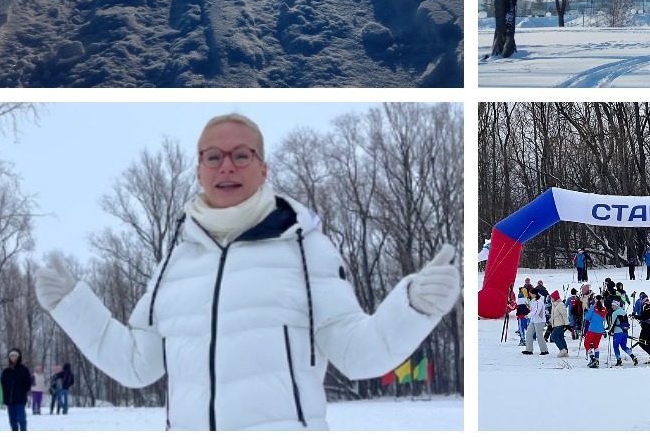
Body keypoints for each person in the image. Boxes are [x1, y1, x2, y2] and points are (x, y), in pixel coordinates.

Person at [34, 113, 461, 431]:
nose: (227, 167)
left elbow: (358, 354)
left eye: (241, 155)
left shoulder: (305, 248)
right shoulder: (174, 263)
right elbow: (135, 365)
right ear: (199, 169)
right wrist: (72, 304)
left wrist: (414, 305)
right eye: (214, 157)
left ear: (263, 169)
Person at [0, 348, 32, 430]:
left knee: (21, 419)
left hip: (20, 399)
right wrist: (3, 396)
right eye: (11, 356)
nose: (13, 358)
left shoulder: (23, 369)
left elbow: (28, 382)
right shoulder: (6, 371)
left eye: (15, 356)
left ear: (18, 357)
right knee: (12, 420)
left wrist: (23, 390)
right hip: (9, 400)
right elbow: (2, 385)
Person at [607, 298, 639, 367]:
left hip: (617, 332)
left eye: (613, 305)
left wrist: (610, 331)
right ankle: (633, 357)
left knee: (616, 346)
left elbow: (613, 323)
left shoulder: (615, 313)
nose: (612, 307)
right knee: (624, 346)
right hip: (624, 332)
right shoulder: (624, 312)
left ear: (616, 306)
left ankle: (619, 360)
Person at [524, 285, 549, 355]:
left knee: (539, 335)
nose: (530, 295)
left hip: (540, 321)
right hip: (533, 320)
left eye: (531, 294)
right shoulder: (534, 301)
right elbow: (533, 310)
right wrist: (529, 308)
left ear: (535, 294)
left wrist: (528, 316)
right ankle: (529, 349)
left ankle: (544, 350)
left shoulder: (539, 302)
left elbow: (537, 311)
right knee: (528, 333)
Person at [584, 297, 608, 368]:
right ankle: (597, 360)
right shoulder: (604, 309)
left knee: (587, 344)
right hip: (600, 330)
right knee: (596, 345)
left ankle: (592, 358)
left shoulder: (593, 307)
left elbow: (587, 317)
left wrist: (586, 312)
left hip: (592, 329)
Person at [635, 296, 650, 364]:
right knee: (648, 342)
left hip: (647, 326)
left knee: (641, 342)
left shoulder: (644, 306)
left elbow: (644, 317)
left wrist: (635, 316)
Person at [549, 290, 570, 357]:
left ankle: (562, 349)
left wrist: (567, 324)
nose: (551, 299)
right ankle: (565, 351)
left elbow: (564, 314)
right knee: (561, 337)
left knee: (553, 336)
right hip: (556, 323)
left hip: (560, 324)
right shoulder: (554, 304)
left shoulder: (560, 305)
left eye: (552, 297)